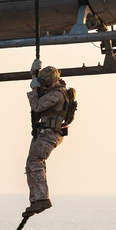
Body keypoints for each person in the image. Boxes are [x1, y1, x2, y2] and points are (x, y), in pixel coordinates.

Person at [23, 61, 69, 217]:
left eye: (47, 84)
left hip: (50, 134)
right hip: (43, 132)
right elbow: (41, 91)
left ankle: (43, 198)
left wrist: (34, 87)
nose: (46, 87)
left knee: (36, 161)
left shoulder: (57, 94)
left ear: (55, 81)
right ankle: (35, 199)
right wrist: (34, 74)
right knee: (30, 164)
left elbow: (37, 106)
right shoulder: (52, 89)